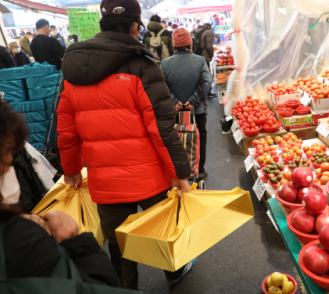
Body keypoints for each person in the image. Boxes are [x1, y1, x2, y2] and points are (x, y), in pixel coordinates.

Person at [57, 0, 193, 289]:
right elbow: (162, 129)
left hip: (105, 183)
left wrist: (70, 170)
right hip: (150, 178)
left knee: (119, 245)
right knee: (162, 231)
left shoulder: (74, 68)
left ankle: (125, 288)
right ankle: (175, 273)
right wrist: (180, 174)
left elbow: (66, 129)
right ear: (134, 28)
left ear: (101, 25)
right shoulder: (142, 65)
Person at [0, 99, 121, 287]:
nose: (10, 172)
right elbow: (95, 288)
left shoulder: (69, 84)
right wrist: (78, 245)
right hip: (123, 175)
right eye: (8, 165)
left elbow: (66, 131)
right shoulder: (20, 242)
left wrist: (71, 168)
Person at [160, 28, 211, 179]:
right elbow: (207, 82)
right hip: (197, 111)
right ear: (190, 43)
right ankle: (199, 170)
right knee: (199, 138)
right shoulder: (200, 60)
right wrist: (193, 101)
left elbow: (161, 86)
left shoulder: (164, 63)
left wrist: (175, 102)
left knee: (176, 140)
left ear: (174, 45)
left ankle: (180, 172)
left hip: (174, 111)